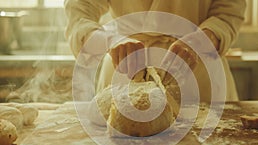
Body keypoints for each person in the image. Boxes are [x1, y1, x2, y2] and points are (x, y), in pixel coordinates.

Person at [64, 0, 246, 102]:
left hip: (198, 70)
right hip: (125, 67)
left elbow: (229, 12)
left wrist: (200, 41)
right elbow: (80, 12)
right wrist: (110, 40)